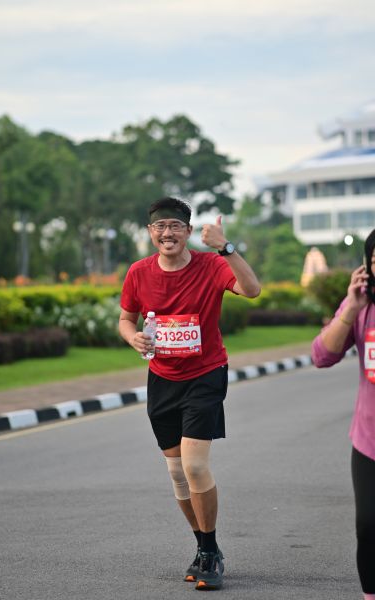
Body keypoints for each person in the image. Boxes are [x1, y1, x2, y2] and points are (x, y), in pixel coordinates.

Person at [119, 197, 260, 590]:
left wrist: (225, 247)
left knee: (195, 466)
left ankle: (210, 552)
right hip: (162, 378)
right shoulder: (138, 272)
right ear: (151, 232)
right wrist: (133, 338)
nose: (168, 233)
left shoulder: (212, 265)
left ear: (188, 231)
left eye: (175, 226)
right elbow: (126, 319)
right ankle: (203, 545)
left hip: (205, 374)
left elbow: (252, 290)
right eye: (160, 226)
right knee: (177, 473)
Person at [311, 229, 375, 600]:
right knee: (368, 526)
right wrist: (350, 307)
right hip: (370, 441)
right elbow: (322, 355)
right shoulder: (362, 307)